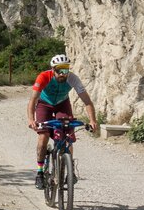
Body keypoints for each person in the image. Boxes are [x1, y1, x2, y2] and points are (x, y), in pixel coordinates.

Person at [27, 53, 98, 189]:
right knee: (44, 136)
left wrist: (92, 120)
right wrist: (31, 119)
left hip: (62, 103)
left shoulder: (73, 79)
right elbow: (33, 100)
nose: (62, 74)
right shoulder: (43, 77)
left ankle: (69, 170)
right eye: (59, 70)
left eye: (65, 70)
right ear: (53, 70)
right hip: (44, 104)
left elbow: (87, 101)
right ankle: (40, 173)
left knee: (68, 135)